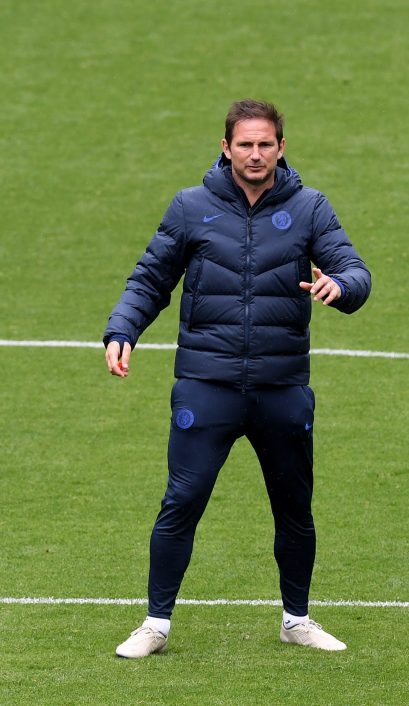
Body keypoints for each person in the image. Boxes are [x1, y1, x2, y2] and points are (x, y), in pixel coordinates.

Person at [104, 99, 371, 658]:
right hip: (207, 383)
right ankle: (155, 625)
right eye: (245, 144)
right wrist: (122, 328)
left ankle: (296, 619)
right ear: (226, 147)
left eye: (265, 144)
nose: (255, 154)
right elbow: (151, 277)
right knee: (183, 499)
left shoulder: (309, 208)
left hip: (281, 388)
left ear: (281, 147)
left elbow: (355, 271)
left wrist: (339, 288)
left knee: (294, 507)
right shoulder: (190, 207)